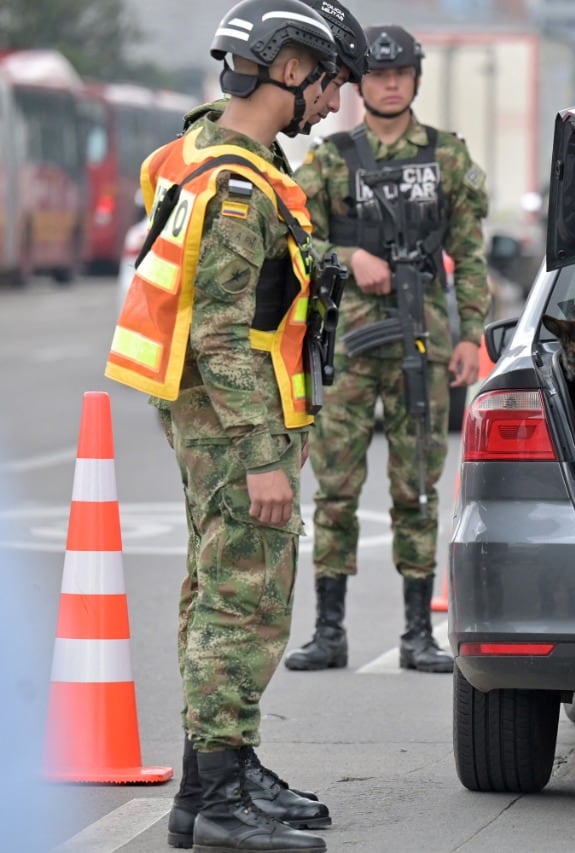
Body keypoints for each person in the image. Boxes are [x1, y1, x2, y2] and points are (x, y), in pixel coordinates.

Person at [105, 1, 345, 850]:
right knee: (241, 604)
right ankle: (218, 801)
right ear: (290, 70)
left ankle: (215, 778)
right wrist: (260, 456)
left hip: (203, 412)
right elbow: (220, 331)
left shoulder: (200, 150)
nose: (335, 101)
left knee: (218, 591)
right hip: (233, 418)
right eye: (330, 82)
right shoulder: (239, 187)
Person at [285, 24, 491, 674]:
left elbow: (471, 255)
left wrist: (471, 336)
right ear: (359, 85)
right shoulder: (330, 159)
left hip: (423, 344)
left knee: (417, 489)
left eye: (401, 72)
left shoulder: (446, 157)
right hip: (348, 344)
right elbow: (296, 238)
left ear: (416, 80)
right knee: (335, 488)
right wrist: (351, 258)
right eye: (377, 74)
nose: (391, 83)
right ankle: (329, 631)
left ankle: (417, 633)